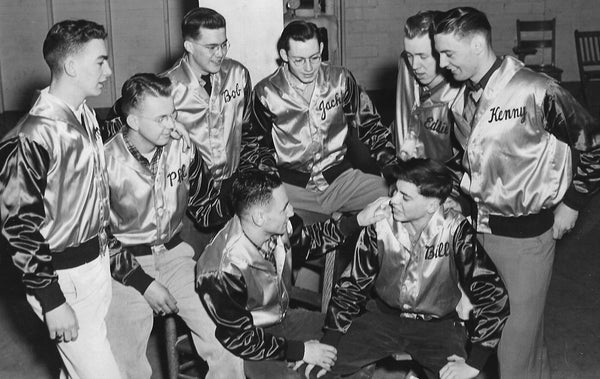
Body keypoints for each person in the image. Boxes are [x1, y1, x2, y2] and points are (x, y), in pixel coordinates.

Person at [433, 7, 600, 378]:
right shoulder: (461, 98)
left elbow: (595, 144)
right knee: (505, 340)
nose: (441, 63)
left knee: (510, 351)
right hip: (478, 237)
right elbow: (470, 161)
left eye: (448, 53)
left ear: (477, 44)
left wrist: (573, 203)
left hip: (524, 241)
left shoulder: (536, 89)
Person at [0, 20, 122, 378]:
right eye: (100, 61)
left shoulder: (83, 114)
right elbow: (19, 226)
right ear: (70, 66)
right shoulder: (32, 134)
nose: (109, 70)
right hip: (63, 277)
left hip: (93, 264)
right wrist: (51, 300)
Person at [103, 73, 241, 378]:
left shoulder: (182, 147)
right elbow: (96, 236)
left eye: (173, 114)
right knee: (123, 361)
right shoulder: (104, 159)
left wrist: (243, 202)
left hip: (176, 256)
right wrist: (142, 282)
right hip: (122, 266)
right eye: (162, 118)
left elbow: (205, 209)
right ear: (134, 122)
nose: (172, 124)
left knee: (228, 335)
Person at [320, 158, 509, 379]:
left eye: (405, 197)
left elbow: (493, 294)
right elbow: (352, 285)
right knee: (317, 368)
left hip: (438, 328)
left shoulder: (455, 229)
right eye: (395, 192)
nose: (393, 201)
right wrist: (329, 342)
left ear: (432, 205)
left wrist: (474, 363)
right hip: (382, 318)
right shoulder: (380, 224)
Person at [196, 169, 389, 378]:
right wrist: (303, 351)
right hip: (253, 344)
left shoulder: (275, 226)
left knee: (358, 335)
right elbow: (241, 339)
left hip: (284, 318)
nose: (291, 212)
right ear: (260, 217)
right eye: (284, 208)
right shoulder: (221, 269)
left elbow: (309, 241)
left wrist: (358, 220)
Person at [242, 20, 396, 222]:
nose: (308, 68)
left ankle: (333, 219)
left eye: (314, 58)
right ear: (284, 55)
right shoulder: (266, 92)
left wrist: (394, 170)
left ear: (321, 49)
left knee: (398, 198)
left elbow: (371, 127)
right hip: (292, 188)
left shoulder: (340, 80)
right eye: (299, 60)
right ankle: (329, 221)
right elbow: (253, 146)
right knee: (276, 224)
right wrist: (273, 185)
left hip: (341, 180)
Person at [161, 7, 253, 254]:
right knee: (194, 273)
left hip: (233, 193)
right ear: (189, 46)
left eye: (224, 45)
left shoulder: (238, 75)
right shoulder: (166, 88)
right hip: (189, 203)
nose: (220, 53)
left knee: (235, 269)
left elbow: (251, 134)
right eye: (211, 47)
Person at [395, 11, 459, 163]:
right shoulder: (405, 66)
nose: (415, 66)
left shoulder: (459, 96)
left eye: (423, 56)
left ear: (442, 53)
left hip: (438, 183)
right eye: (409, 55)